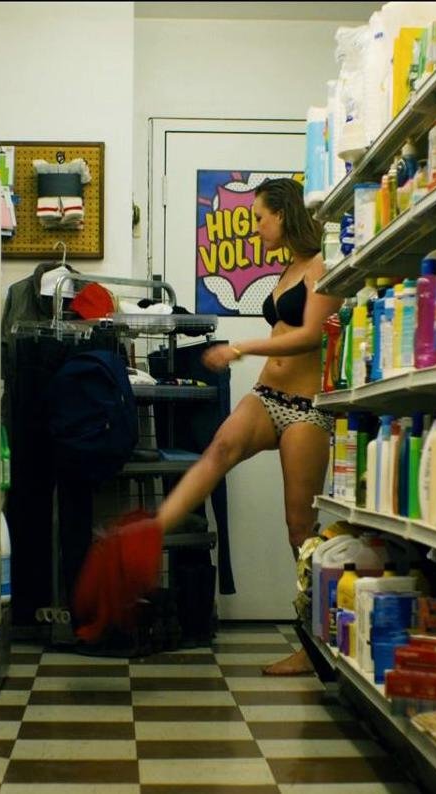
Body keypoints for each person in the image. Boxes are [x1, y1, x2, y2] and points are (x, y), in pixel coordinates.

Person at [152, 177, 342, 675]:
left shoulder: (322, 267)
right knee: (218, 449)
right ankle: (154, 529)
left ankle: (314, 644)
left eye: (259, 217)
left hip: (306, 409)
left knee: (298, 527)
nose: (256, 228)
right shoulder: (288, 268)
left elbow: (309, 336)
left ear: (283, 213)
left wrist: (241, 347)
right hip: (267, 395)